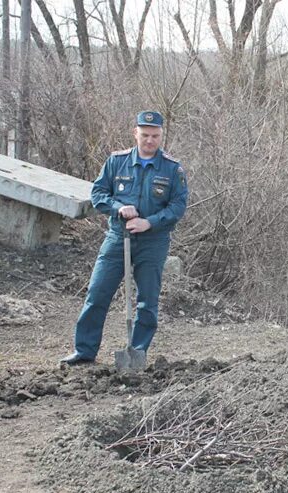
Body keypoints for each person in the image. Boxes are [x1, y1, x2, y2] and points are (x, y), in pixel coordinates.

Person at [60, 110, 188, 365]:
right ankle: (84, 351)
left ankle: (137, 353)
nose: (150, 140)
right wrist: (118, 207)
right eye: (145, 135)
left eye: (155, 136)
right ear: (135, 133)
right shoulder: (116, 162)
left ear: (161, 135)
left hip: (153, 242)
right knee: (97, 293)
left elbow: (177, 206)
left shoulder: (173, 169)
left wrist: (148, 223)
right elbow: (98, 194)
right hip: (118, 237)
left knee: (147, 302)